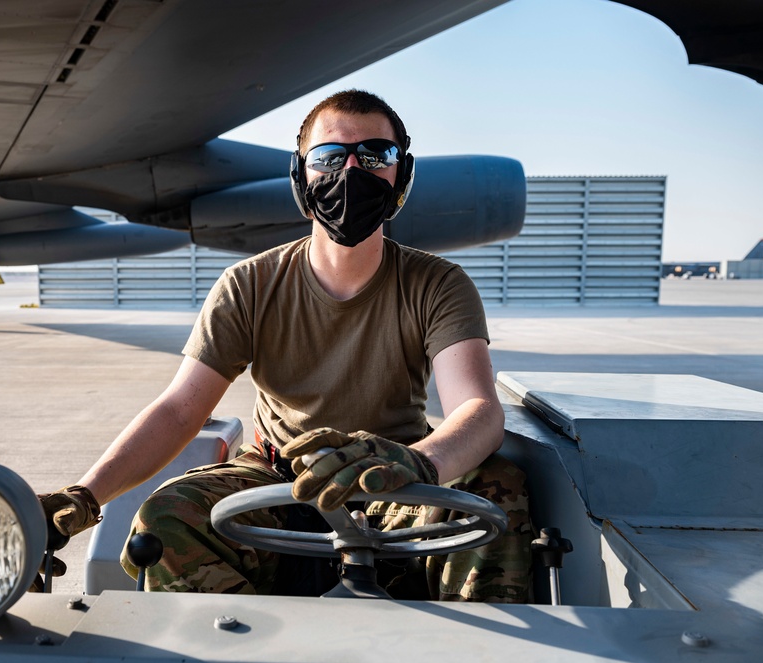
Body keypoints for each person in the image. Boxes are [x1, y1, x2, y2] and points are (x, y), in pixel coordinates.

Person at [40, 89, 535, 602]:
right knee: (167, 515)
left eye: (374, 156)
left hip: (394, 476)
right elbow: (178, 410)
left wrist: (418, 465)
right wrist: (84, 496)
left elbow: (476, 409)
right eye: (328, 158)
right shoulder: (250, 284)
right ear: (302, 176)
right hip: (274, 477)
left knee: (495, 489)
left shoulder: (438, 284)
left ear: (400, 176)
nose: (351, 172)